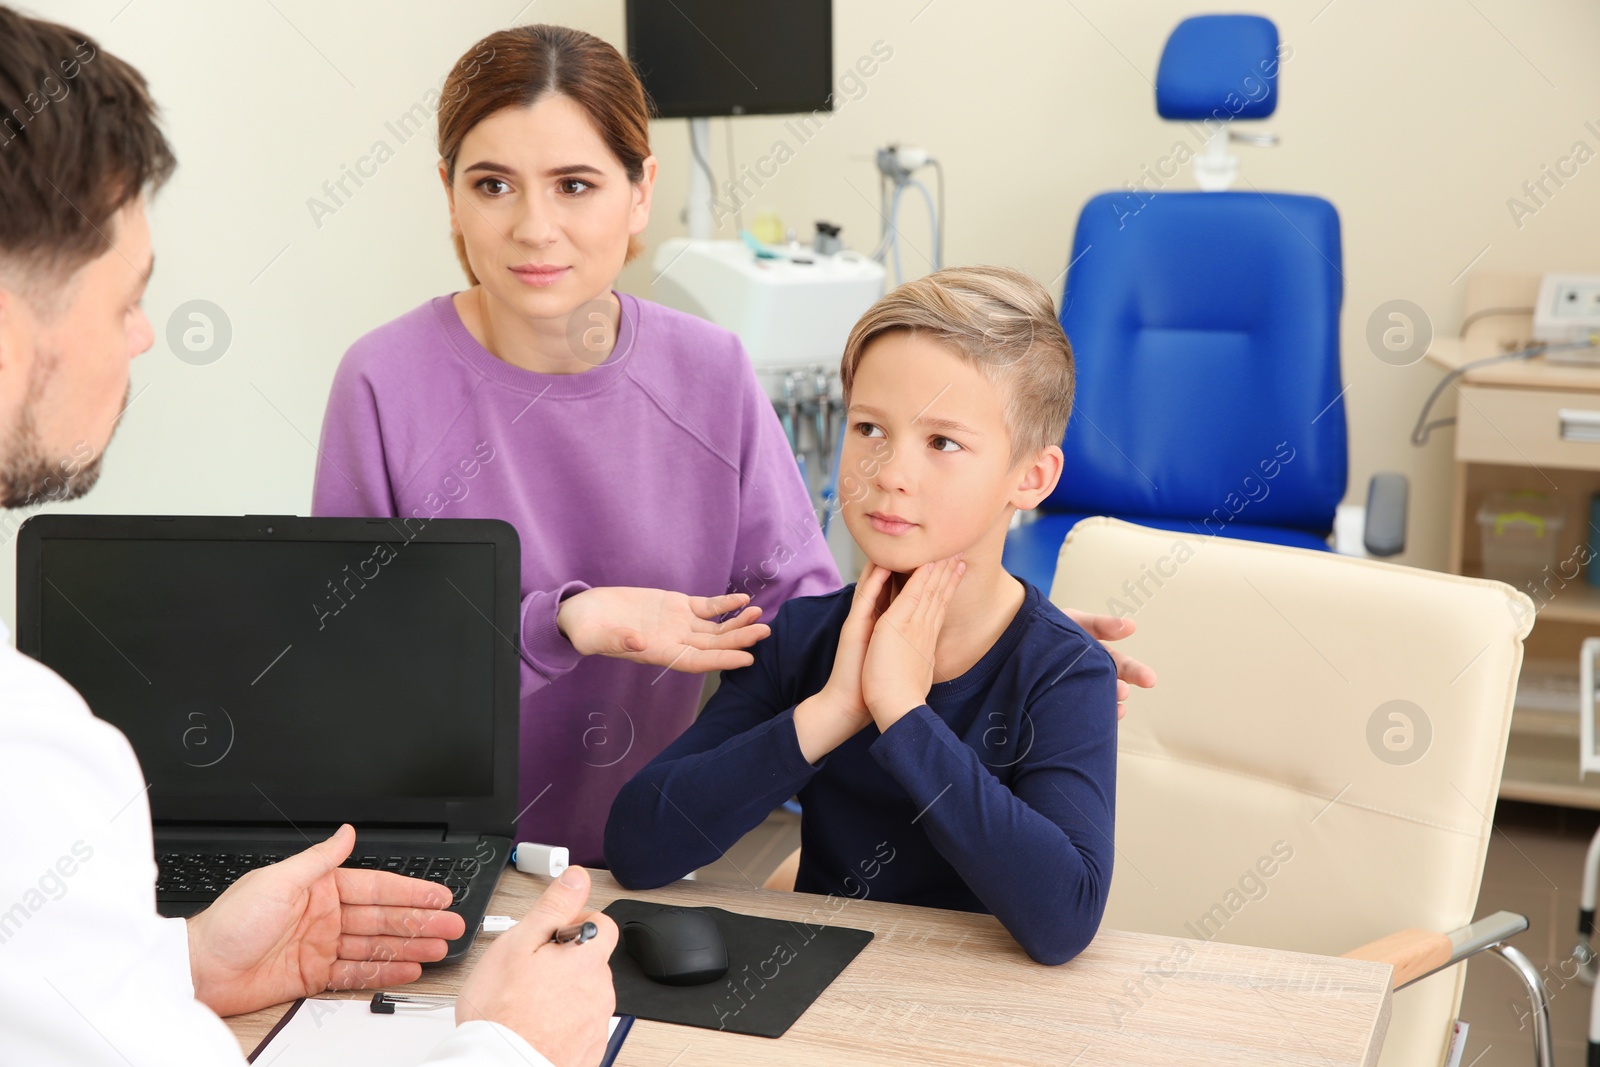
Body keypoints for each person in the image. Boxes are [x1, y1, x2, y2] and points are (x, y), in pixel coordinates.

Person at [312, 25, 1155, 868]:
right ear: (450, 194)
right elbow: (351, 665)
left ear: (641, 191)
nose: (536, 227)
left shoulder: (709, 372)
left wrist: (988, 636)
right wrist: (568, 620)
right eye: (493, 184)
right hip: (420, 857)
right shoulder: (382, 381)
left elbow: (798, 615)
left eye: (575, 184)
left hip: (635, 864)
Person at [0, 9, 615, 1066]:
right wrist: (512, 1045)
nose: (144, 333)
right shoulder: (36, 763)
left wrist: (179, 963)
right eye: (127, 298)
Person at [605, 267, 1117, 966]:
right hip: (812, 990)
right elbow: (639, 844)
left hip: (976, 1013)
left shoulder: (1063, 671)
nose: (888, 472)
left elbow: (1063, 918)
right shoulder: (805, 639)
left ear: (1030, 476)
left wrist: (904, 712)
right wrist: (835, 708)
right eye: (870, 427)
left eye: (942, 442)